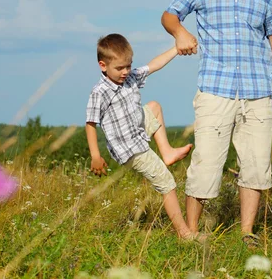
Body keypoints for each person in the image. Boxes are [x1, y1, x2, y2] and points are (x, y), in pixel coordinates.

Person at [161, 0, 272, 247]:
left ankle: (247, 232)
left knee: (256, 166)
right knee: (205, 164)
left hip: (258, 91)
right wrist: (180, 32)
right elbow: (169, 14)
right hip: (215, 90)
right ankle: (191, 233)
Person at [85, 34, 199, 241]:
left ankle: (167, 152)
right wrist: (95, 155)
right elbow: (90, 124)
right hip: (131, 149)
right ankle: (184, 234)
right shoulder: (99, 92)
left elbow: (154, 65)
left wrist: (176, 48)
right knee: (168, 183)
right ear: (103, 65)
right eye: (119, 68)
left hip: (137, 129)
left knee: (154, 107)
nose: (125, 72)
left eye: (128, 66)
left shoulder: (129, 79)